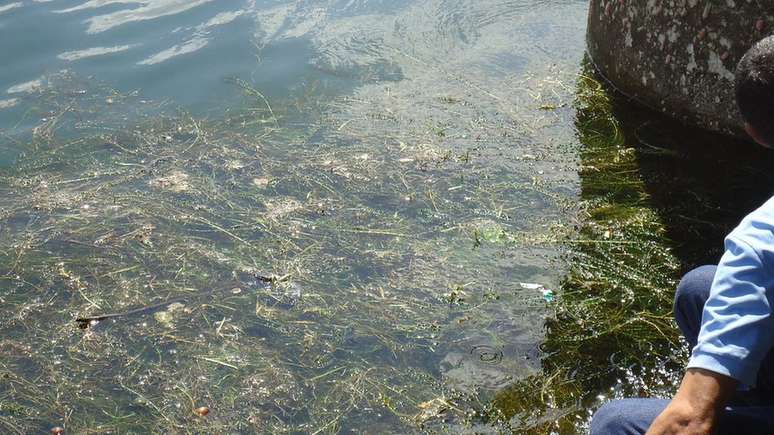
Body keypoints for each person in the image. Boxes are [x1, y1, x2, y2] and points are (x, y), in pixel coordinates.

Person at [590, 36, 774, 434]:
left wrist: (700, 402)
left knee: (614, 422)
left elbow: (689, 422)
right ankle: (748, 395)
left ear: (754, 133)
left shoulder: (761, 240)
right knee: (699, 289)